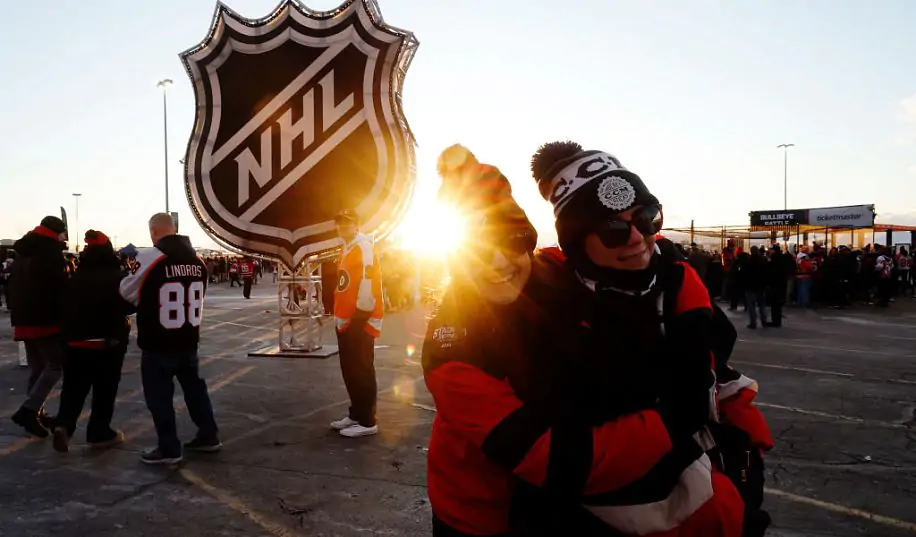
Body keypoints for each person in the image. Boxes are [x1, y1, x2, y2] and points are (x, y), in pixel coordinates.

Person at [425, 144, 771, 537]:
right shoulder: (454, 349)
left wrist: (687, 299)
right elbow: (556, 459)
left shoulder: (556, 277)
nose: (500, 263)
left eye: (512, 241)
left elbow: (663, 267)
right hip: (481, 514)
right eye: (612, 231)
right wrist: (674, 417)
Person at [119, 213, 220, 464]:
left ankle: (169, 447)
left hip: (159, 341)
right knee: (195, 390)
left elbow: (125, 293)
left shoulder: (151, 257)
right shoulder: (198, 261)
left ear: (153, 232)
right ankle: (209, 435)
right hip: (188, 337)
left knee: (159, 396)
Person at [52, 230, 132, 453]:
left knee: (72, 389)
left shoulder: (74, 276)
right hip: (107, 343)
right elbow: (129, 306)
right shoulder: (118, 277)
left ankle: (63, 426)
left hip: (75, 342)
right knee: (104, 390)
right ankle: (99, 432)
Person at [8, 215, 69, 438]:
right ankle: (29, 410)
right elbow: (57, 289)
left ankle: (36, 414)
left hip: (23, 317)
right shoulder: (49, 252)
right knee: (55, 365)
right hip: (45, 318)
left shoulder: (24, 251)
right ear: (56, 232)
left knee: (38, 367)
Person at [330, 209, 384, 438]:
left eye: (348, 223)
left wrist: (359, 317)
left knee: (361, 369)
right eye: (340, 223)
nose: (343, 227)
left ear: (357, 225)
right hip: (346, 319)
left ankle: (367, 420)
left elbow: (368, 281)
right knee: (350, 370)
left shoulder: (363, 246)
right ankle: (356, 413)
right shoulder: (348, 247)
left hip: (359, 319)